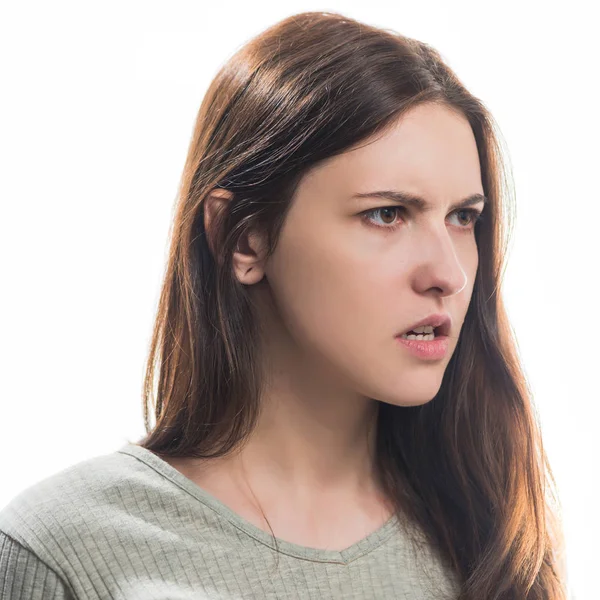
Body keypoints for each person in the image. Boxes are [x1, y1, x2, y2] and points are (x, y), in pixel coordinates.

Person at [0, 10, 568, 600]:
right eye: (386, 214)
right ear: (243, 239)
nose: (448, 274)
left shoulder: (495, 539)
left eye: (462, 218)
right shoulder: (63, 551)